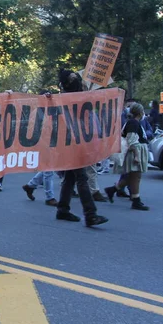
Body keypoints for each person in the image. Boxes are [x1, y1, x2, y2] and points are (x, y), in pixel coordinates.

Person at [55, 69, 108, 227]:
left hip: (74, 143)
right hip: (73, 144)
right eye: (74, 79)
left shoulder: (70, 98)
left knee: (70, 178)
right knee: (81, 178)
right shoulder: (67, 99)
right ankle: (90, 214)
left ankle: (62, 209)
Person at [105, 103, 150, 210]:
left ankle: (114, 190)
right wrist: (137, 156)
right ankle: (135, 200)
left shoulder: (132, 122)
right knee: (135, 176)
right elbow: (132, 140)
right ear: (140, 112)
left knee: (132, 177)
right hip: (133, 153)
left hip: (134, 152)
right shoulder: (133, 123)